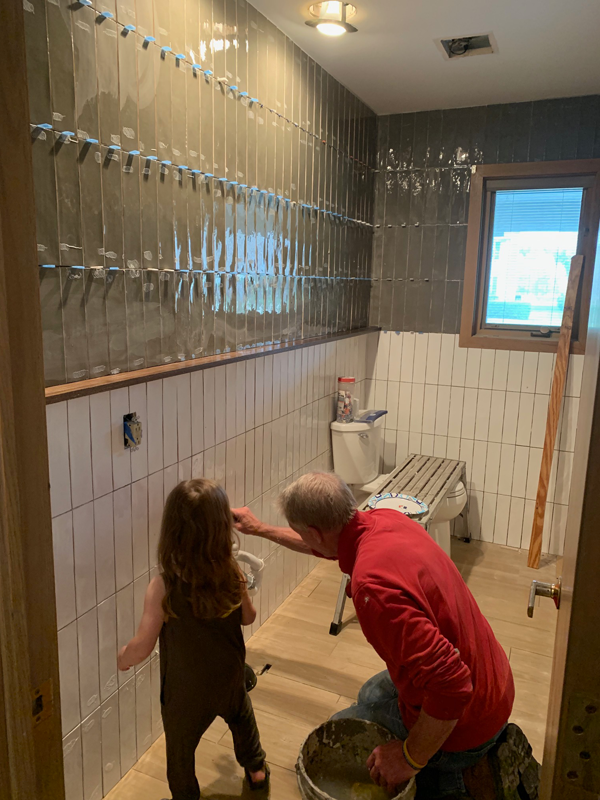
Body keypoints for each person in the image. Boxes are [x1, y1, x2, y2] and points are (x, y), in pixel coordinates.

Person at [233, 472, 526, 799]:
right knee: (371, 693)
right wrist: (259, 529)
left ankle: (450, 775)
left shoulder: (373, 590)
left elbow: (452, 686)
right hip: (494, 679)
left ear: (315, 532)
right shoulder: (384, 519)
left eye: (307, 533)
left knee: (337, 734)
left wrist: (408, 757)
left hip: (469, 719)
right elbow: (329, 547)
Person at [118, 479, 269, 800]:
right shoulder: (231, 572)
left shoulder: (163, 587)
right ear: (221, 529)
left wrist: (124, 657)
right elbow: (249, 617)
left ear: (172, 532)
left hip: (185, 693)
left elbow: (142, 646)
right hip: (229, 677)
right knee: (241, 717)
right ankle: (256, 771)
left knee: (181, 750)